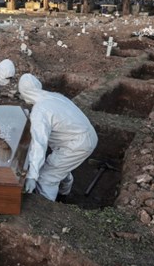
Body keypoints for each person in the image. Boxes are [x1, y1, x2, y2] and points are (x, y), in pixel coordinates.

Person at [18, 73, 97, 201]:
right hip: (86, 136)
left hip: (77, 144)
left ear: (24, 93)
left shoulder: (40, 111)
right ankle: (64, 193)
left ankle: (47, 208)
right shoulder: (54, 97)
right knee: (59, 167)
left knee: (47, 177)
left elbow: (39, 144)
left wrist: (32, 175)